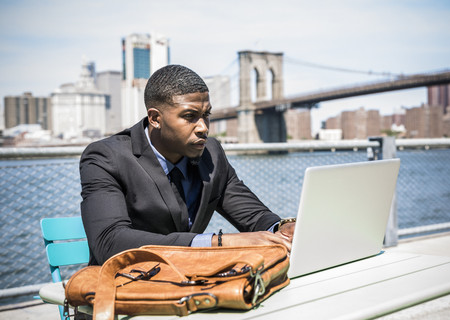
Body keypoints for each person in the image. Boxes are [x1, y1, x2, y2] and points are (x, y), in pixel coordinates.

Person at [80, 64, 295, 265]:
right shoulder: (106, 157)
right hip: (126, 287)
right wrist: (218, 243)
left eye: (206, 115)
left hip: (192, 283)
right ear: (155, 118)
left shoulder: (212, 153)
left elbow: (253, 216)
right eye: (190, 116)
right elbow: (109, 242)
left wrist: (282, 228)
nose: (203, 127)